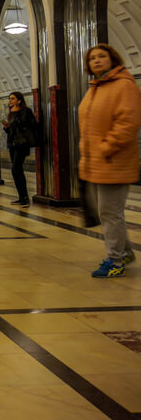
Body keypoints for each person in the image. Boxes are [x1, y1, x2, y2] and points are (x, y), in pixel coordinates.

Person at [78, 44, 141, 278]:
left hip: (113, 160)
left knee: (109, 213)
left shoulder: (124, 86)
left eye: (102, 56)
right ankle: (124, 251)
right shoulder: (96, 87)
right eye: (92, 57)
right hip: (96, 161)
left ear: (113, 58)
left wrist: (107, 147)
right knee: (108, 211)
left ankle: (115, 260)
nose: (96, 60)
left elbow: (128, 123)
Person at [0, 91, 37, 208]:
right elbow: (12, 130)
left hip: (22, 145)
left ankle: (25, 198)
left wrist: (15, 115)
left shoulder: (26, 111)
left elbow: (24, 125)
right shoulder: (11, 113)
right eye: (9, 99)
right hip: (13, 144)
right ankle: (22, 197)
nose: (10, 101)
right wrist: (7, 127)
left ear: (19, 100)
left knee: (16, 169)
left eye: (12, 99)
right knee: (17, 170)